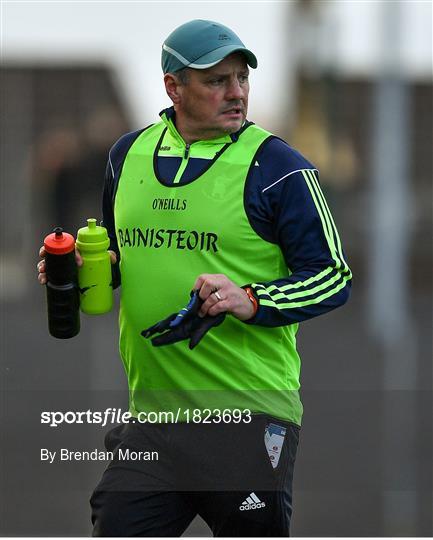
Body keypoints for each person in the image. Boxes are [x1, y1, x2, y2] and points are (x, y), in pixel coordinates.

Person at [37, 19, 352, 537]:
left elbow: (334, 276)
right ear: (173, 87)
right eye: (217, 81)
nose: (237, 93)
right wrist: (77, 268)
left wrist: (251, 299)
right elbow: (121, 257)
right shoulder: (126, 155)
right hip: (154, 417)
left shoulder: (281, 169)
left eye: (242, 79)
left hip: (247, 418)